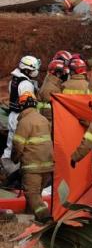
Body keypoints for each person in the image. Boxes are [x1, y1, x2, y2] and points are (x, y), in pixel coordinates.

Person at [11, 92, 53, 222]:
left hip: (32, 166)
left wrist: (15, 158)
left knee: (31, 194)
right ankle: (30, 220)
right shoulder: (44, 120)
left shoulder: (25, 122)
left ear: (22, 105)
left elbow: (18, 145)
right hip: (47, 166)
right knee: (37, 194)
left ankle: (45, 217)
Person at [3, 56, 41, 176]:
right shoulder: (26, 84)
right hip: (21, 116)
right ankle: (11, 171)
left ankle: (7, 167)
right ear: (27, 69)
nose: (35, 71)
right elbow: (28, 104)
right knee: (19, 144)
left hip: (13, 115)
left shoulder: (14, 79)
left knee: (11, 142)